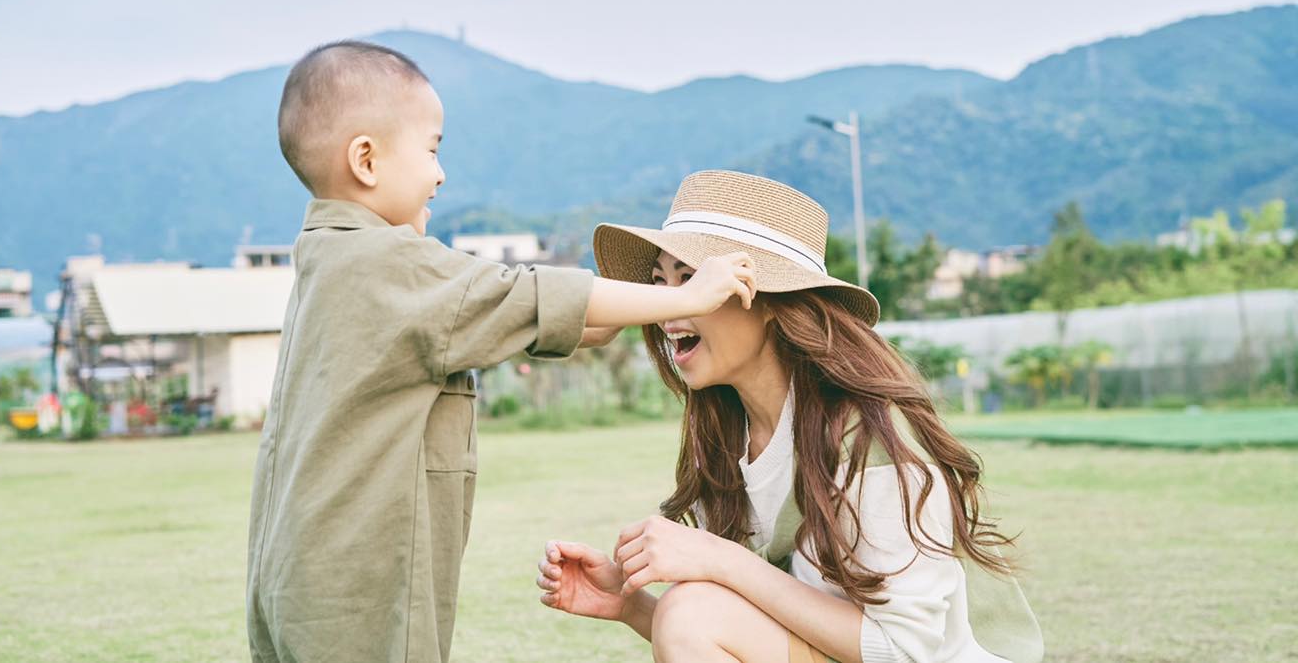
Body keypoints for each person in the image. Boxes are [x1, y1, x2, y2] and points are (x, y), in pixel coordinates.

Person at [246, 42, 759, 663]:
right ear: (366, 160)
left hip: (299, 582)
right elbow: (531, 294)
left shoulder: (330, 260)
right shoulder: (390, 265)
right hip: (358, 591)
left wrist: (650, 303)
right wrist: (697, 294)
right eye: (432, 150)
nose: (440, 174)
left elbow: (557, 321)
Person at [537, 170, 1043, 663]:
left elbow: (906, 650)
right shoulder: (728, 435)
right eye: (661, 283)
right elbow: (743, 629)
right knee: (691, 610)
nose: (670, 307)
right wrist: (631, 607)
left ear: (773, 303)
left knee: (694, 609)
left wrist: (720, 561)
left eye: (692, 280)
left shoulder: (873, 438)